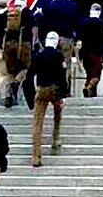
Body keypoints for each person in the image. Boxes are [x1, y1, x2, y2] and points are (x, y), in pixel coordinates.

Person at [29, 32, 66, 167]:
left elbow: (30, 75)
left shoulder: (38, 56)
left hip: (41, 89)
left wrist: (31, 95)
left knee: (37, 123)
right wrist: (63, 95)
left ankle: (36, 156)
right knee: (57, 115)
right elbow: (62, 76)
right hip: (55, 90)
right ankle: (56, 141)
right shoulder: (59, 56)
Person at [38, 0, 79, 91]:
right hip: (67, 38)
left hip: (53, 38)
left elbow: (44, 22)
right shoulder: (73, 6)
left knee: (52, 63)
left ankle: (53, 86)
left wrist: (43, 38)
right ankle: (64, 89)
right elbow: (76, 23)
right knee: (66, 63)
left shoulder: (52, 4)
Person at [1, 0, 37, 109]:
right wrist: (35, 42)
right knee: (26, 69)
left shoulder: (9, 13)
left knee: (10, 71)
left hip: (9, 46)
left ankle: (8, 96)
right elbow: (34, 29)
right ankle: (15, 82)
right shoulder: (28, 13)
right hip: (24, 45)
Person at [76, 5, 103, 98]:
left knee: (89, 74)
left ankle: (91, 94)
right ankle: (88, 87)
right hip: (96, 53)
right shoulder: (102, 24)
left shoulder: (84, 23)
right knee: (96, 75)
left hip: (85, 53)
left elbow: (79, 38)